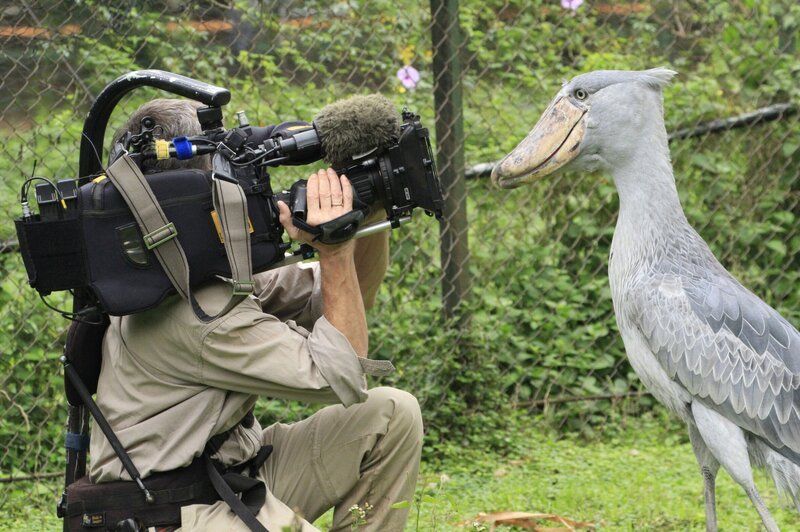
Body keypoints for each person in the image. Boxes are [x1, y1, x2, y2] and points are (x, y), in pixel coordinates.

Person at [89, 98, 423, 531]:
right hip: (169, 511)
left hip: (231, 474)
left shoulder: (188, 270)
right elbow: (339, 375)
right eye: (222, 167)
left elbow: (338, 296)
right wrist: (334, 250)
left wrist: (366, 201)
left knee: (392, 414)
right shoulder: (196, 313)